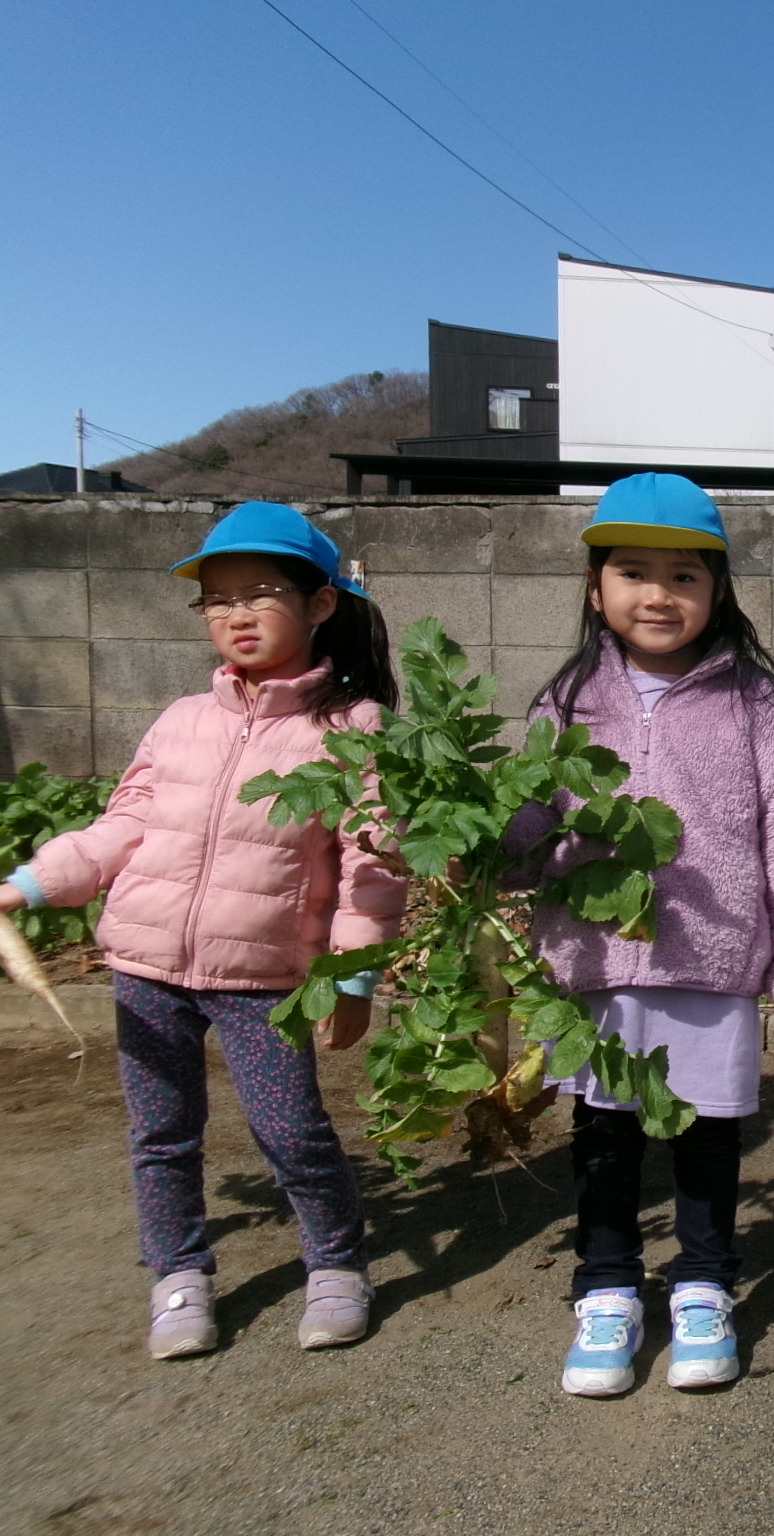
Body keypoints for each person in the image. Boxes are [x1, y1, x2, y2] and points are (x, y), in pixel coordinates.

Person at [0, 502, 404, 1359]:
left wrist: (354, 977)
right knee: (160, 1131)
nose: (237, 615)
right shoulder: (183, 718)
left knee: (290, 1129)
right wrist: (29, 883)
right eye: (217, 600)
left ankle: (335, 1263)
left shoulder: (351, 729)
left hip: (262, 977)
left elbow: (373, 867)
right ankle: (178, 1273)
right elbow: (123, 825)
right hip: (144, 964)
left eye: (261, 593)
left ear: (321, 604)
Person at [520, 473, 774, 1397]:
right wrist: (481, 854)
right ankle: (608, 1288)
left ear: (719, 590)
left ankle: (703, 1284)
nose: (659, 594)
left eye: (684, 576)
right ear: (595, 588)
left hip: (713, 956)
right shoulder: (567, 699)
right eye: (633, 572)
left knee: (707, 1137)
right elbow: (531, 819)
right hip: (594, 960)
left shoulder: (757, 704)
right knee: (604, 1132)